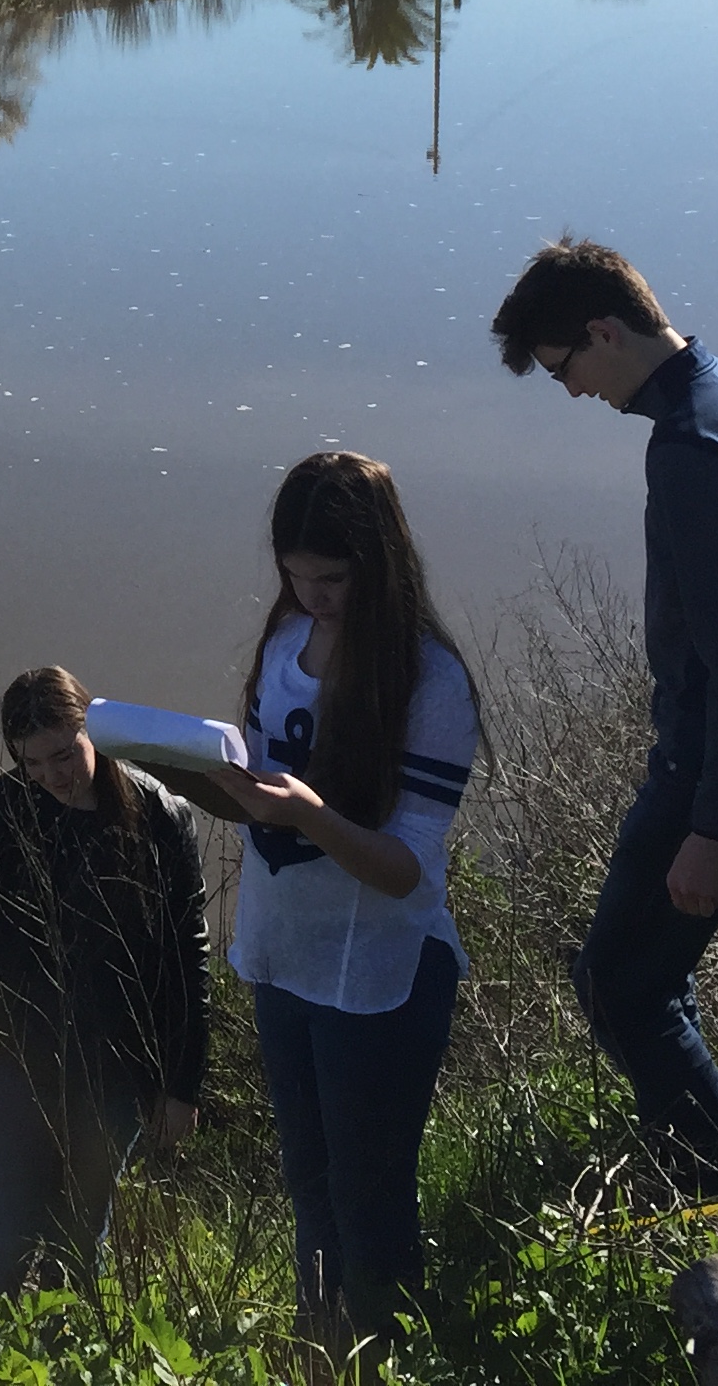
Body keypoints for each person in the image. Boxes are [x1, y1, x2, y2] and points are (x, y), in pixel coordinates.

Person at [491, 238, 718, 1184]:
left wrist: (716, 826)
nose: (569, 393)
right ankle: (705, 1173)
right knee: (646, 980)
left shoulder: (687, 451)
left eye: (565, 367)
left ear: (605, 330)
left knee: (621, 989)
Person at [175, 451, 481, 1347]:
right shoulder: (283, 648)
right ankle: (322, 1352)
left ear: (379, 565)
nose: (314, 595)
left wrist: (312, 815)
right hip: (286, 958)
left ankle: (388, 1356)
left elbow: (409, 873)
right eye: (296, 575)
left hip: (381, 973)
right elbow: (267, 795)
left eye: (334, 577)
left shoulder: (429, 683)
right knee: (308, 1179)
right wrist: (207, 782)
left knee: (370, 1197)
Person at [0, 666, 209, 1300]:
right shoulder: (2, 808)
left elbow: (187, 957)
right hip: (10, 1056)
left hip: (117, 1067)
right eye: (34, 763)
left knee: (77, 1250)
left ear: (90, 728)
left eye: (65, 754)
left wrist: (180, 1086)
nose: (53, 776)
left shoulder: (159, 814)